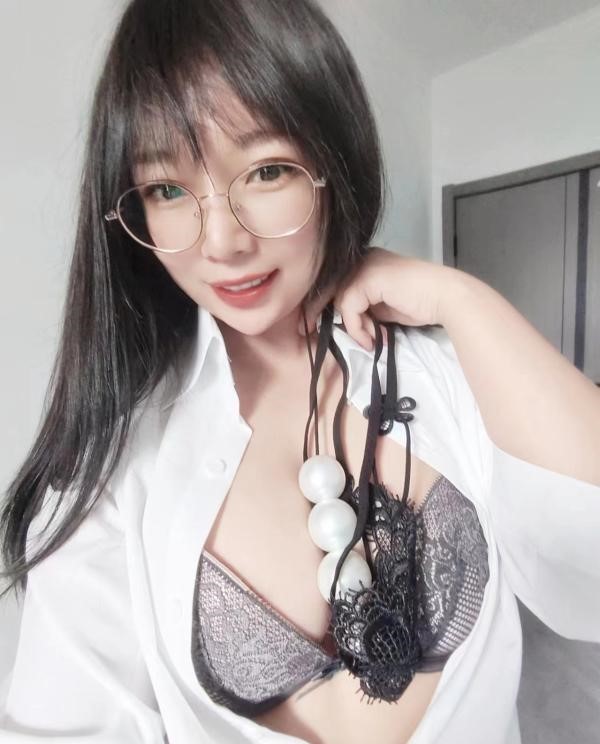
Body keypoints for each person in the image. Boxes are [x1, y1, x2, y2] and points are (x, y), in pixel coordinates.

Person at [1, 1, 599, 742]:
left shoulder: (440, 372)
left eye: (267, 170)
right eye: (168, 190)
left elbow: (588, 562)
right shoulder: (112, 471)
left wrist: (462, 299)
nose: (222, 242)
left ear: (331, 166)